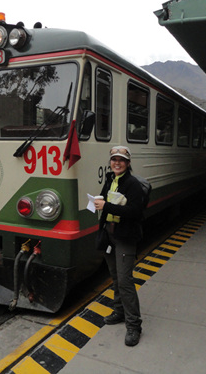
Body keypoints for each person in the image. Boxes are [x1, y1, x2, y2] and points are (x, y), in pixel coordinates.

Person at [94, 145, 143, 346]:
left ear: (128, 163)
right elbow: (105, 200)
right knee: (115, 277)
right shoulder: (110, 179)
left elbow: (135, 211)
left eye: (121, 160)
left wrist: (106, 206)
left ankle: (134, 326)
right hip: (109, 235)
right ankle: (120, 311)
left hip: (125, 237)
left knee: (125, 280)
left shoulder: (132, 184)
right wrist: (97, 202)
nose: (117, 163)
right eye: (114, 159)